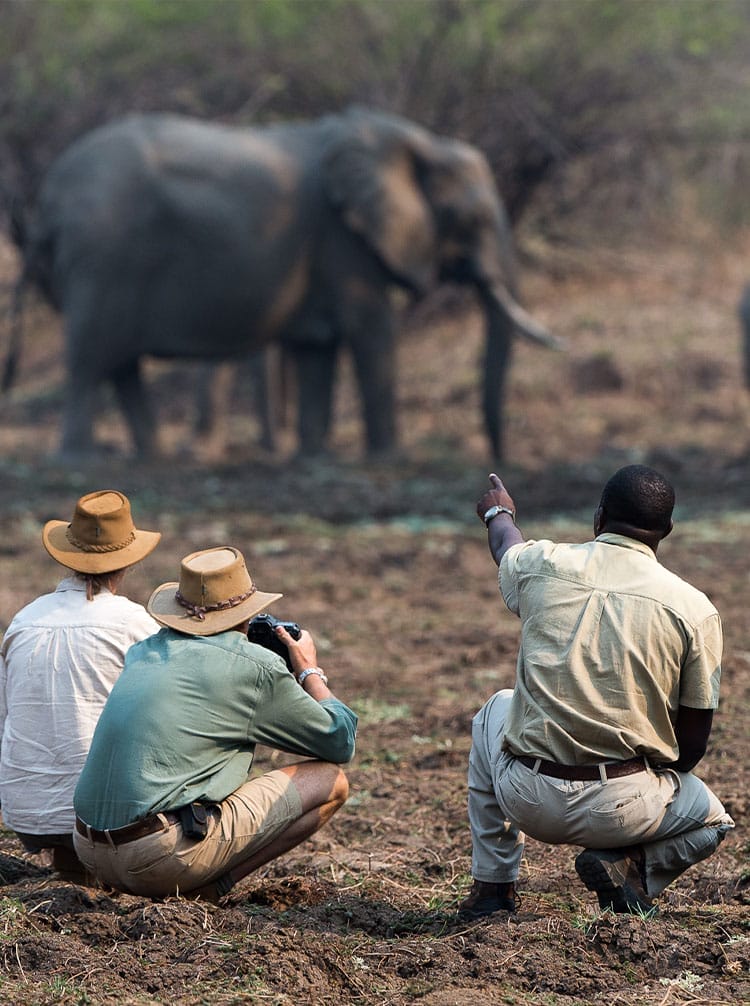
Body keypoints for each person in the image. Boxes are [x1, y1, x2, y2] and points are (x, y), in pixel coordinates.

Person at [460, 465, 735, 919]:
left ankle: (493, 889)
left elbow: (506, 547)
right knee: (714, 821)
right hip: (623, 809)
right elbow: (692, 746)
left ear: (599, 516)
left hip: (526, 795)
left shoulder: (544, 565)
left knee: (498, 707)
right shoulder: (695, 611)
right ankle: (631, 864)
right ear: (666, 530)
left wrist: (499, 514)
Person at [73, 545, 357, 902]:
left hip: (87, 848)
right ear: (247, 615)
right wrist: (307, 669)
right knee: (330, 781)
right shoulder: (252, 666)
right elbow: (340, 740)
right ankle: (210, 888)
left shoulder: (146, 650)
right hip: (158, 859)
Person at [0, 490, 161, 882]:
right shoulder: (136, 624)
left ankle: (74, 868)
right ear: (128, 563)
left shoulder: (24, 620)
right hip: (102, 817)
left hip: (26, 814)